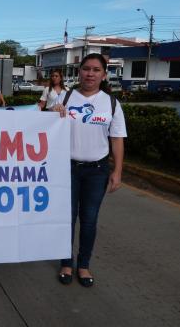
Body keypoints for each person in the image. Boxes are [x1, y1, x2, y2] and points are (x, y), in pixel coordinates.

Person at [52, 53, 127, 288]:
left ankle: (83, 265)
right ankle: (66, 262)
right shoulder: (64, 97)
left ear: (104, 74)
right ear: (79, 71)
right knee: (67, 219)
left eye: (96, 70)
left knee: (89, 220)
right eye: (86, 69)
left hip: (97, 170)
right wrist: (53, 115)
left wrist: (117, 171)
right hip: (67, 168)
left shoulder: (112, 104)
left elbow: (117, 140)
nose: (90, 74)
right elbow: (47, 131)